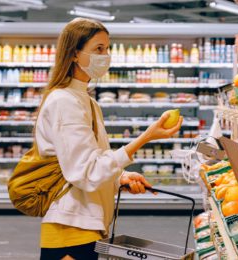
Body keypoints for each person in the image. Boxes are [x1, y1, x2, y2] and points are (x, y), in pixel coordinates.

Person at [36, 18, 183, 260]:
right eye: (98, 49)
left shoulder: (86, 101)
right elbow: (85, 171)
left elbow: (90, 162)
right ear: (74, 54)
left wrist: (118, 179)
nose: (106, 56)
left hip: (86, 224)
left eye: (107, 48)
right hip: (71, 228)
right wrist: (146, 137)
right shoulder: (64, 102)